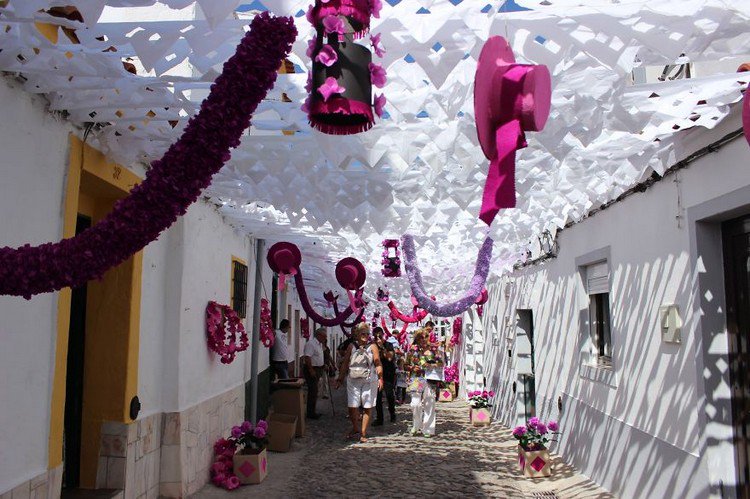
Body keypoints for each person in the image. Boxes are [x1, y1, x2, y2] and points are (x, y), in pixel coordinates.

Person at [333, 323, 383, 443]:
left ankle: (363, 432)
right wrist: (340, 378)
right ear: (357, 335)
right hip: (353, 380)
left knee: (367, 406)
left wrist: (381, 378)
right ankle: (355, 428)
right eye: (363, 333)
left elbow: (378, 363)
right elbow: (345, 363)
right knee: (352, 406)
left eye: (367, 333)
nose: (365, 336)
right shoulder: (351, 346)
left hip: (369, 380)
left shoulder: (373, 347)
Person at [406, 328, 441, 437]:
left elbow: (441, 363)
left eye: (425, 336)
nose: (424, 339)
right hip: (416, 379)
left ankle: (428, 429)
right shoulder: (412, 350)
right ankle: (416, 425)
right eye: (421, 337)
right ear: (417, 338)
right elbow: (406, 365)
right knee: (415, 404)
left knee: (429, 403)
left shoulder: (434, 350)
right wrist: (412, 368)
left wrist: (432, 365)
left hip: (431, 379)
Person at [373, 327, 397, 425]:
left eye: (379, 335)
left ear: (383, 335)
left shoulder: (388, 345)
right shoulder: (372, 346)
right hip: (376, 375)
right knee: (377, 398)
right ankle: (379, 419)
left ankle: (392, 414)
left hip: (388, 374)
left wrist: (382, 347)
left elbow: (390, 358)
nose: (378, 338)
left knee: (389, 395)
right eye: (375, 336)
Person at [303, 327, 327, 419]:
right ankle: (310, 413)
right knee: (313, 391)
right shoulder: (311, 344)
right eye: (324, 336)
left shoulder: (319, 344)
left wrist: (323, 365)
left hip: (318, 369)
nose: (325, 338)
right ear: (319, 335)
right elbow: (307, 357)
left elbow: (317, 357)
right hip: (312, 369)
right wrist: (311, 370)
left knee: (315, 391)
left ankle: (312, 411)